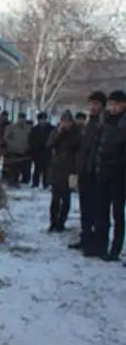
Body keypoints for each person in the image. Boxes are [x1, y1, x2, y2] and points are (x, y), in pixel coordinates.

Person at [87, 90, 126, 261]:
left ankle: (115, 249)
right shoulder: (105, 122)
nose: (113, 107)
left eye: (116, 104)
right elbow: (97, 147)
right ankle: (100, 245)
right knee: (101, 212)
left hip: (119, 176)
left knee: (118, 214)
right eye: (111, 104)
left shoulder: (123, 123)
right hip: (102, 173)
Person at [69, 92, 107, 251]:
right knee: (85, 209)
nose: (92, 107)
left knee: (96, 210)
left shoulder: (103, 123)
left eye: (96, 104)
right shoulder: (89, 123)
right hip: (84, 171)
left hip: (96, 173)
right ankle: (85, 238)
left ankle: (96, 243)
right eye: (91, 104)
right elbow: (82, 148)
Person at [45, 111, 81, 232]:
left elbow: (77, 147)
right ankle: (53, 221)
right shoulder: (56, 131)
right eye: (63, 121)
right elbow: (49, 145)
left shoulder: (76, 133)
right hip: (56, 168)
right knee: (55, 198)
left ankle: (61, 222)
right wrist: (60, 133)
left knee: (66, 198)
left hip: (70, 169)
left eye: (68, 122)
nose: (65, 124)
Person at [4, 113, 31, 186]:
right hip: (13, 150)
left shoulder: (28, 129)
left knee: (20, 167)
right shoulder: (11, 127)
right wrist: (11, 144)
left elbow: (30, 138)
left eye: (23, 118)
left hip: (23, 150)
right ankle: (12, 181)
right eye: (20, 118)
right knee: (13, 167)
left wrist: (27, 146)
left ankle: (20, 180)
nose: (22, 120)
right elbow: (6, 138)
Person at [29, 112, 54, 189]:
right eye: (41, 120)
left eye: (44, 119)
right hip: (38, 152)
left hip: (47, 151)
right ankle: (35, 183)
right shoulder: (34, 129)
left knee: (47, 169)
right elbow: (30, 140)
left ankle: (46, 183)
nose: (42, 121)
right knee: (37, 169)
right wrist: (35, 145)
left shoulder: (51, 128)